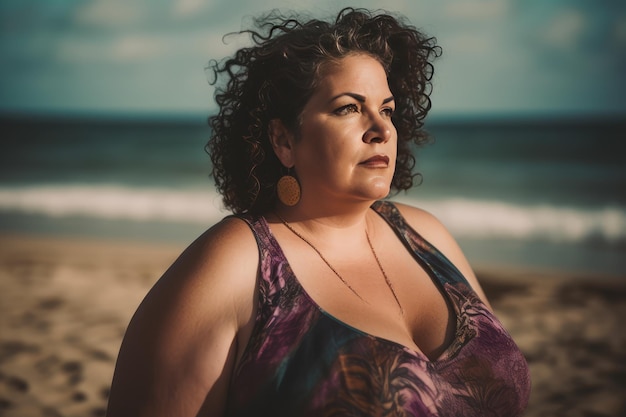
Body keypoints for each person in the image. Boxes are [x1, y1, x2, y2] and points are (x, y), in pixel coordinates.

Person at [106, 7, 530, 417]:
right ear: (284, 140)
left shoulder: (427, 234)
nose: (381, 130)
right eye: (349, 108)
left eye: (387, 109)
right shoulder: (234, 265)